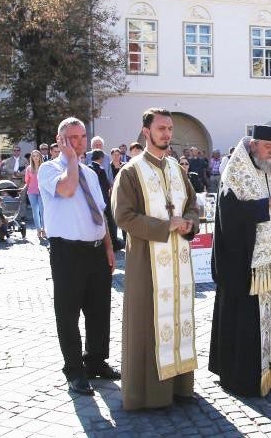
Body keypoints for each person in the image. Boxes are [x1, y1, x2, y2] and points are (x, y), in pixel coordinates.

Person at [209, 125, 271, 397]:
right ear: (253, 145)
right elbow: (229, 216)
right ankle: (245, 379)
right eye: (267, 147)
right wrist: (268, 203)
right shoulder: (235, 172)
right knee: (247, 325)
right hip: (245, 265)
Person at [111, 108, 200, 409]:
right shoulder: (131, 171)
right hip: (147, 263)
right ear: (146, 131)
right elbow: (123, 216)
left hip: (179, 262)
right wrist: (165, 226)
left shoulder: (177, 168)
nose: (167, 133)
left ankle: (180, 388)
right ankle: (148, 395)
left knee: (179, 319)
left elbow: (192, 204)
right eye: (161, 128)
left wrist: (189, 223)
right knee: (148, 324)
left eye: (170, 128)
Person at [38, 117, 118, 397]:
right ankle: (74, 369)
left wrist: (109, 246)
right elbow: (68, 189)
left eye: (82, 137)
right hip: (67, 250)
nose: (79, 142)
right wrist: (71, 159)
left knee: (99, 309)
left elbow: (101, 213)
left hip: (95, 248)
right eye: (72, 137)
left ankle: (96, 360)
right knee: (68, 313)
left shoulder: (92, 173)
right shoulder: (49, 169)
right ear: (60, 140)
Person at [89, 149, 121, 251]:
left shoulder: (88, 168)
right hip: (103, 200)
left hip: (92, 201)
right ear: (101, 158)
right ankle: (113, 244)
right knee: (109, 223)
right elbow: (105, 185)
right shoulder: (101, 169)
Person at [24, 150, 45, 241]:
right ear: (31, 158)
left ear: (40, 157)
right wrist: (23, 189)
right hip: (31, 192)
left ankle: (44, 229)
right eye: (33, 156)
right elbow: (27, 181)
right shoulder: (29, 168)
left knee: (42, 210)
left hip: (42, 192)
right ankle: (38, 230)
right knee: (35, 212)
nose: (35, 157)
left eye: (37, 156)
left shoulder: (44, 167)